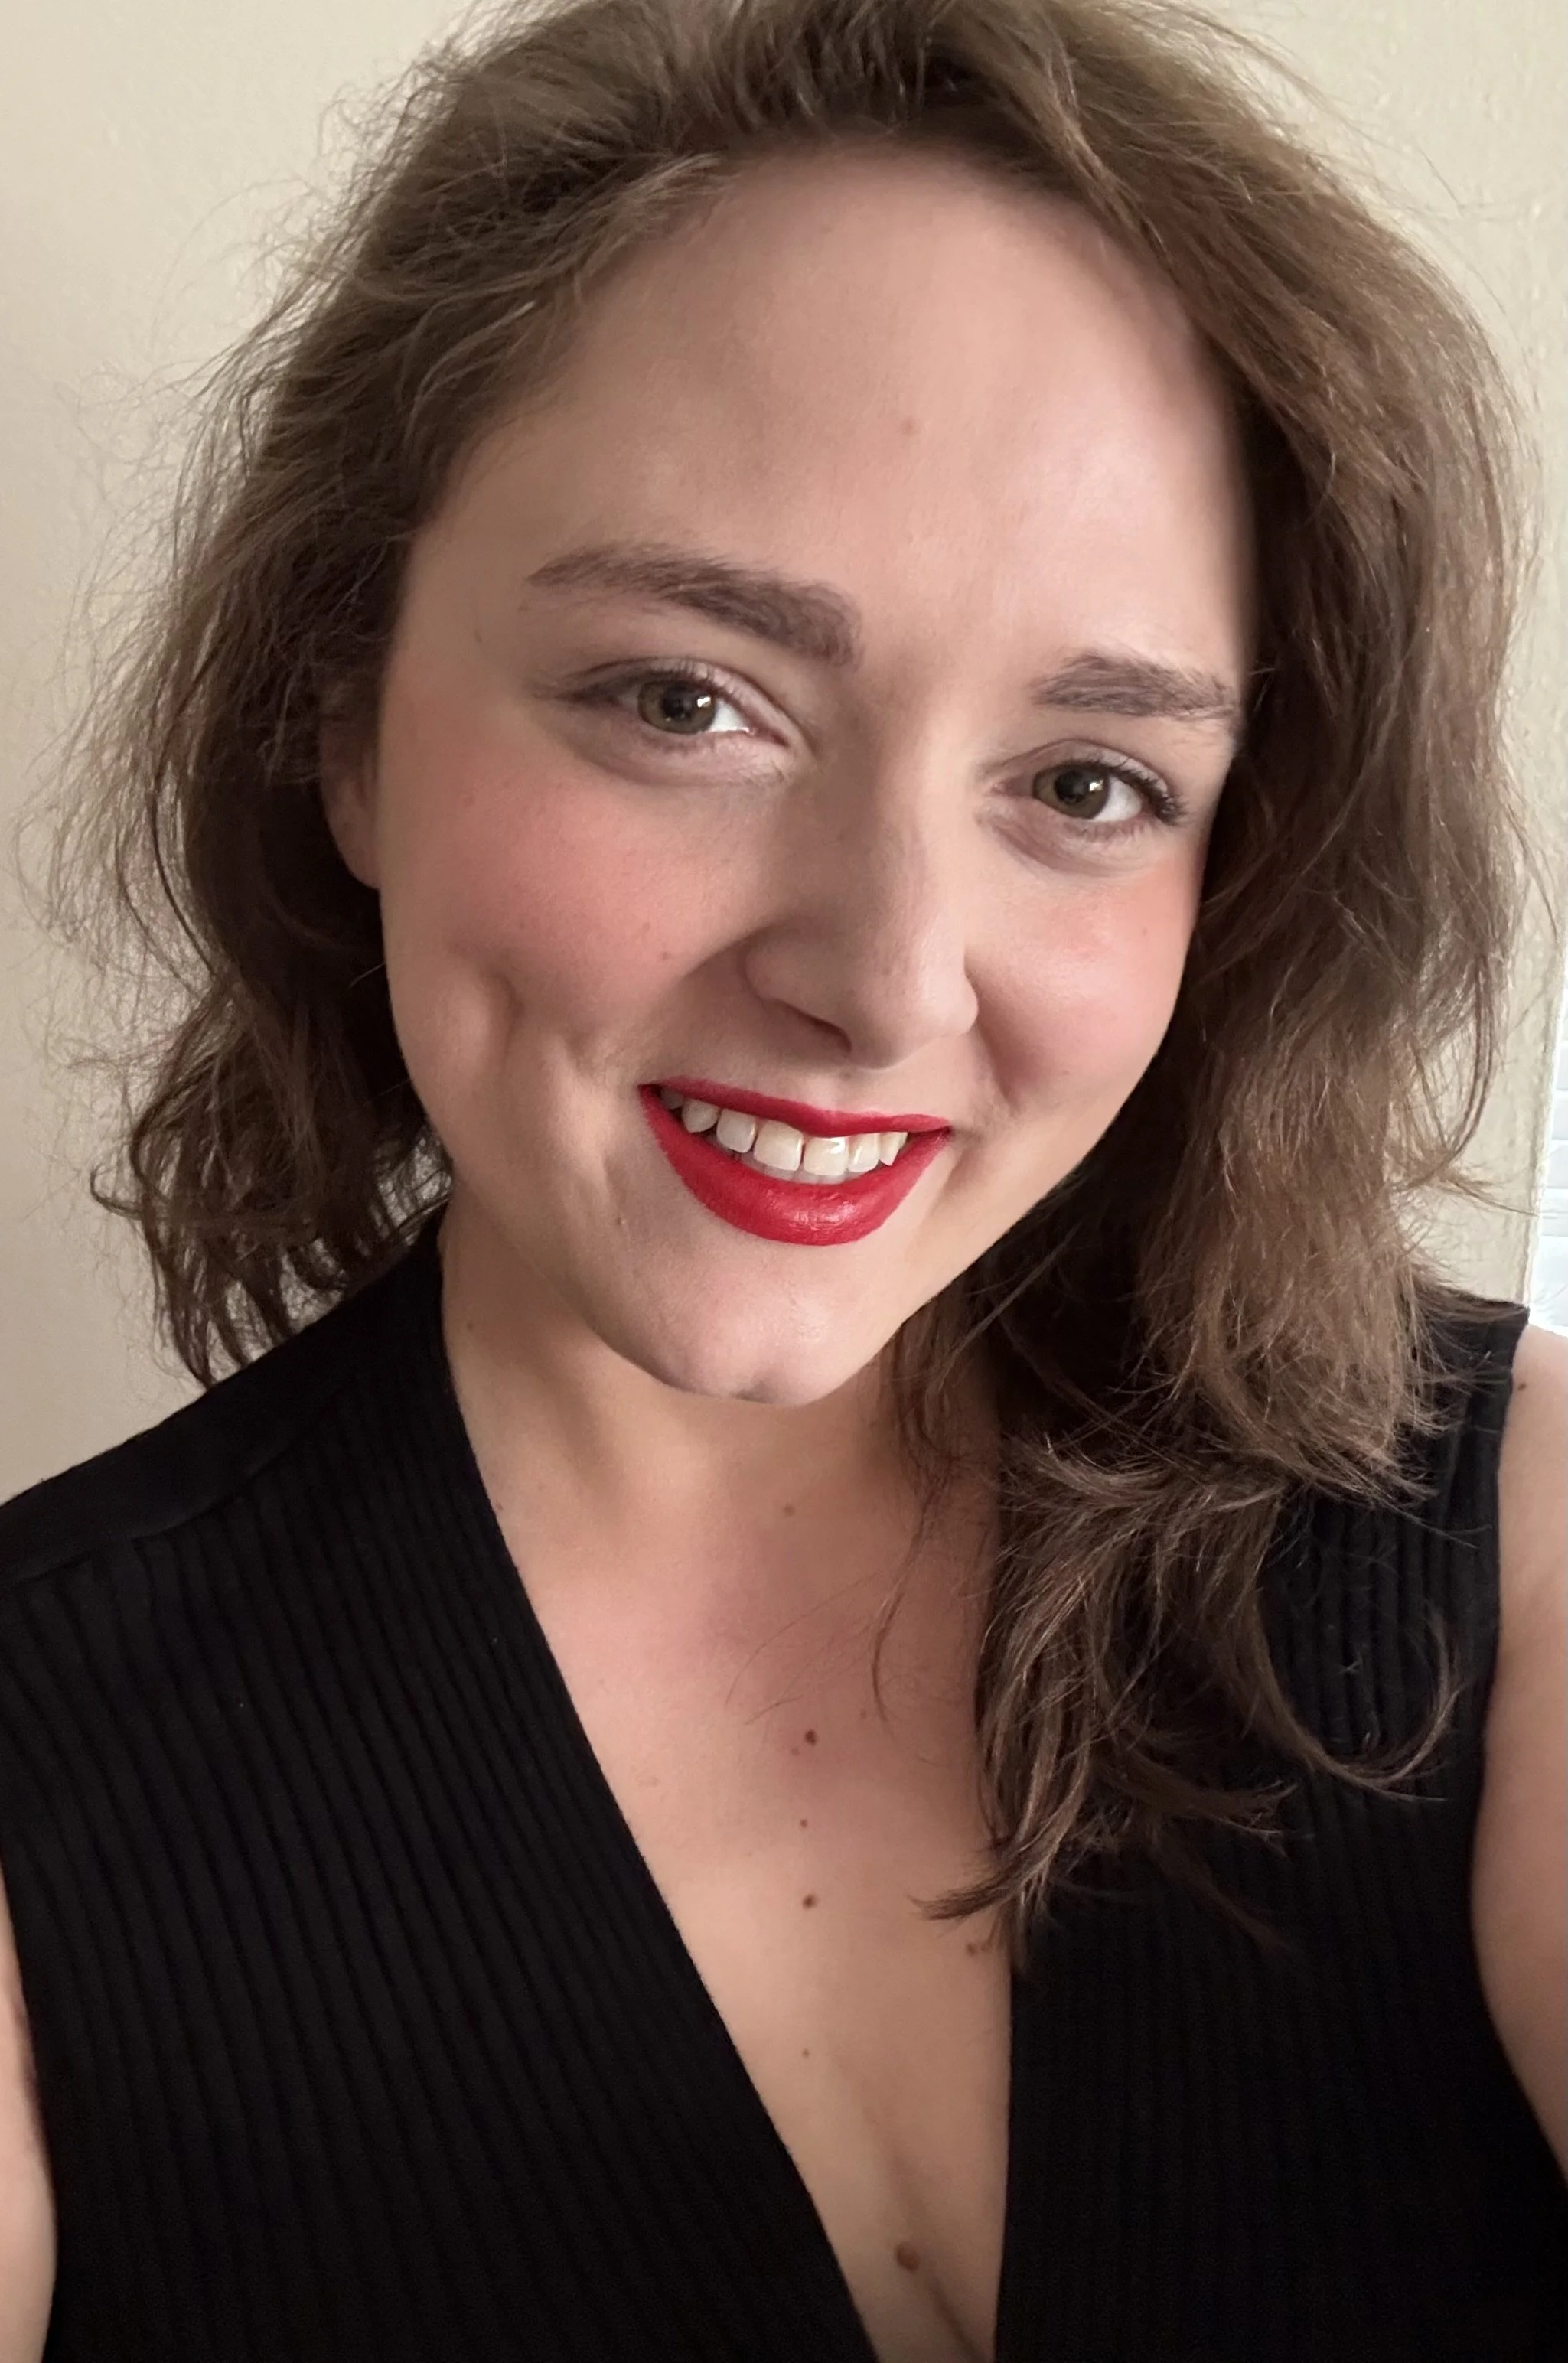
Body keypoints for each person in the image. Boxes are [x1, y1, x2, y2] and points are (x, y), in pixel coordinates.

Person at [1, 0, 1564, 2354]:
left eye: (1090, 781)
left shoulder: (1512, 1543)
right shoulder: (41, 1783)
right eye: (685, 700)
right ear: (340, 721)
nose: (887, 976)